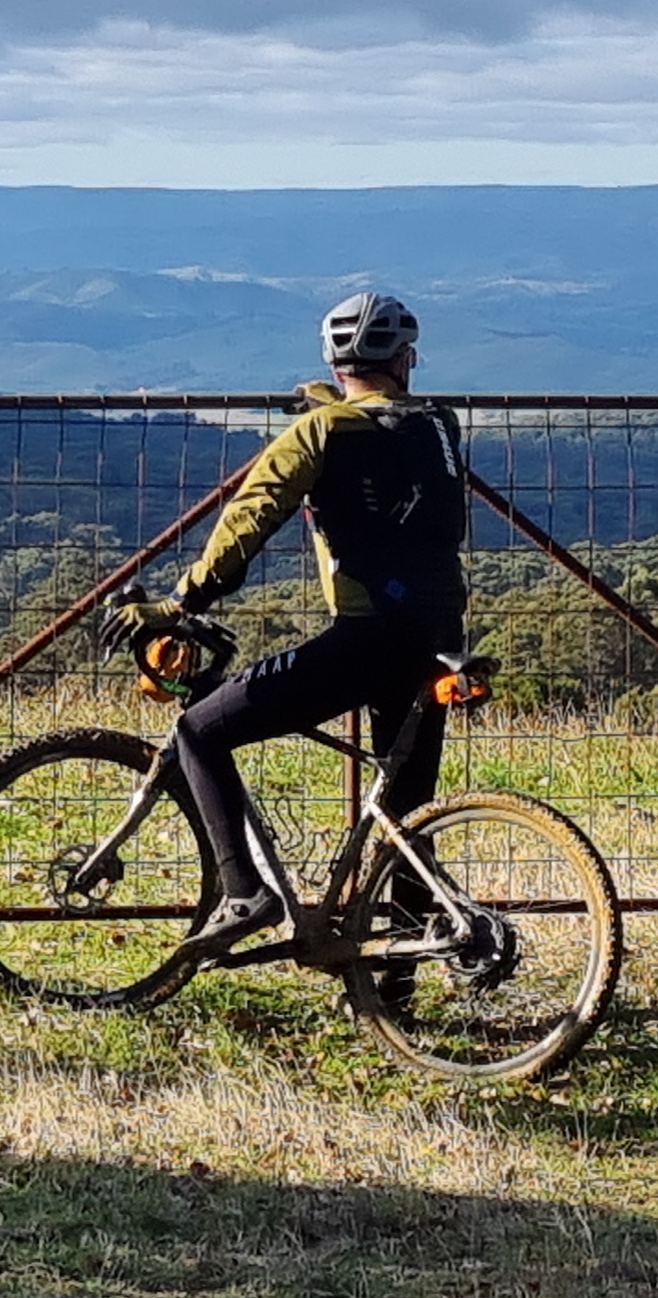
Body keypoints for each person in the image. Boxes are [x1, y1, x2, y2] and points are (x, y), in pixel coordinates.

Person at [137, 289, 467, 960]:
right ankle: (394, 987)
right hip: (440, 638)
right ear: (406, 360)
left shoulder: (317, 432)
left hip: (368, 638)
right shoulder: (442, 424)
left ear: (334, 360)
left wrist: (183, 602)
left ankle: (244, 895)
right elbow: (389, 438)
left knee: (197, 731)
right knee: (407, 814)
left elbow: (249, 521)